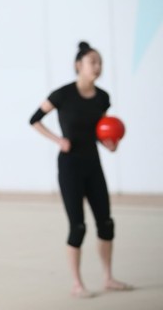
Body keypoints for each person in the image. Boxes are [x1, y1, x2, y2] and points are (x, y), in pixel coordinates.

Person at [29, 41, 132, 298]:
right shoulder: (62, 94)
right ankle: (78, 284)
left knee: (106, 223)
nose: (97, 67)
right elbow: (34, 119)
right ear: (79, 65)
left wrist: (109, 144)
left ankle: (108, 278)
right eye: (93, 62)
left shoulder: (102, 97)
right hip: (70, 166)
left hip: (93, 165)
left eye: (100, 62)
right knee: (78, 227)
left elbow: (99, 131)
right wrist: (58, 140)